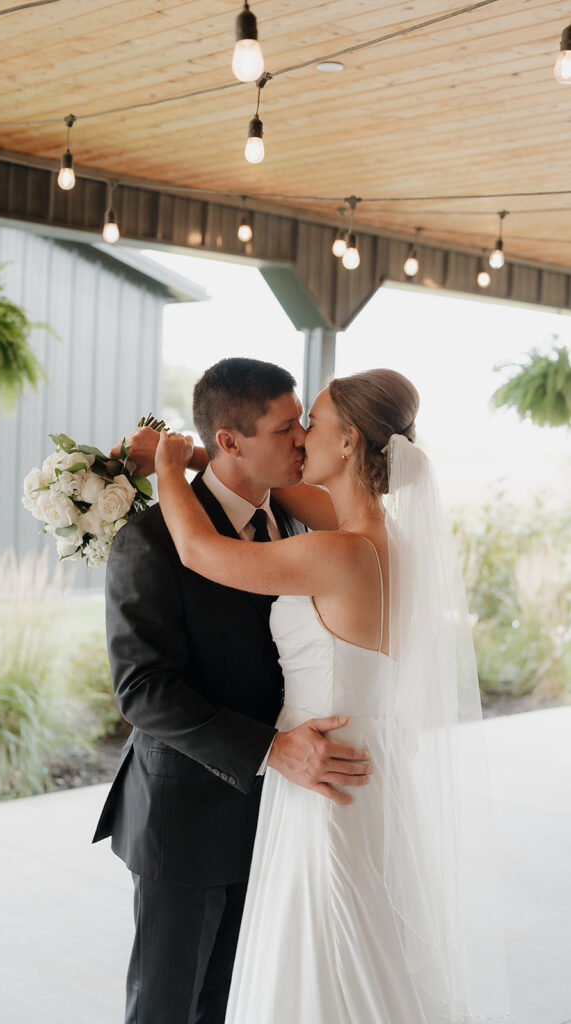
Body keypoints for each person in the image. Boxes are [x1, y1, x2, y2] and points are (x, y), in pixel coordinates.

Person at [154, 368, 509, 1023]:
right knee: (353, 942)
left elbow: (201, 551)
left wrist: (167, 469)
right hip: (358, 762)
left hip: (323, 773)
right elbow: (294, 494)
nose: (298, 439)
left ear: (347, 441)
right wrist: (216, 452)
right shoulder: (382, 539)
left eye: (309, 423)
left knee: (325, 945)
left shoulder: (339, 553)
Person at [92, 358, 373, 1024]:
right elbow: (142, 691)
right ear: (229, 441)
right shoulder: (152, 539)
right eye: (285, 428)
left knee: (235, 1002)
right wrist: (271, 750)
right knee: (167, 1008)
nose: (302, 440)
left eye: (304, 422)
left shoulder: (306, 524)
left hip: (283, 820)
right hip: (187, 820)